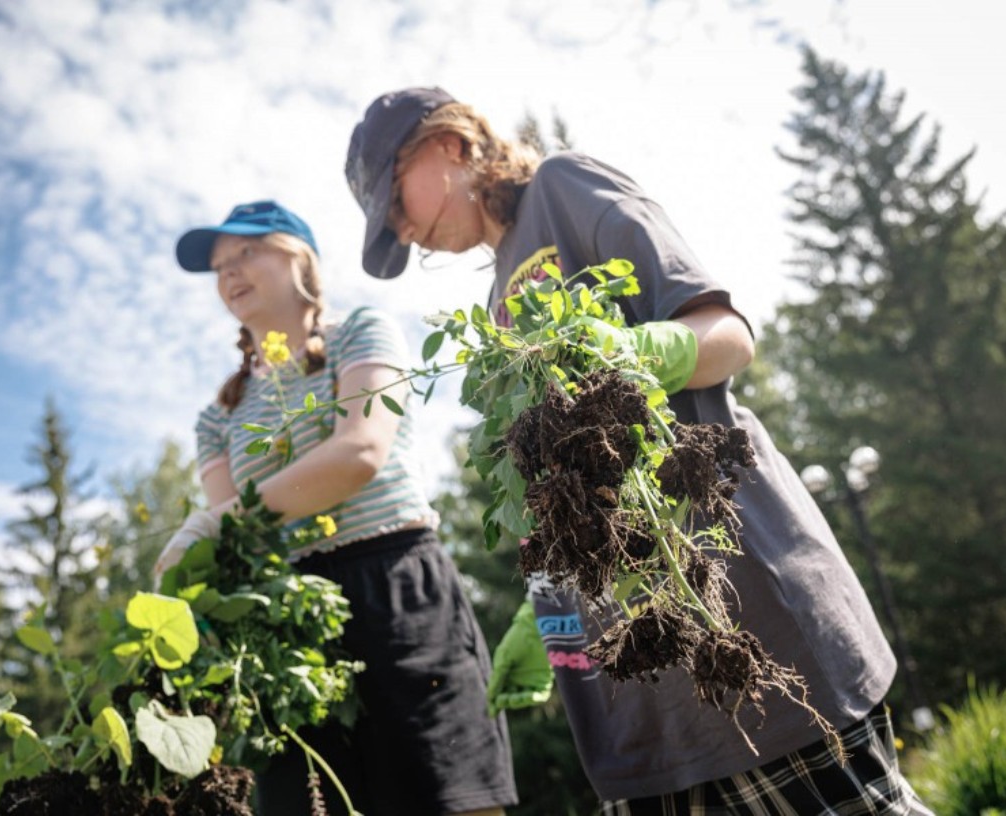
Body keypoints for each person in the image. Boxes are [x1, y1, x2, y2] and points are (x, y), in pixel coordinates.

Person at [345, 88, 933, 814]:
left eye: (394, 201)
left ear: (448, 143)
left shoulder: (562, 189)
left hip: (735, 605)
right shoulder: (499, 311)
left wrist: (639, 350)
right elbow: (555, 508)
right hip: (645, 686)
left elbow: (727, 334)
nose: (404, 231)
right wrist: (551, 626)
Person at [155, 199, 517, 816]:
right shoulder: (219, 416)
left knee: (450, 800)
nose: (230, 274)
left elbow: (359, 452)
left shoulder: (363, 333)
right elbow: (245, 540)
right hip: (291, 624)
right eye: (218, 268)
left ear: (299, 258)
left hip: (396, 588)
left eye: (246, 252)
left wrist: (213, 522)